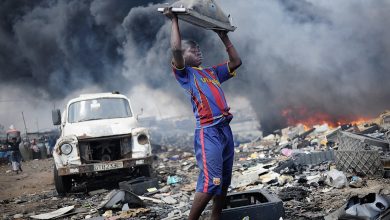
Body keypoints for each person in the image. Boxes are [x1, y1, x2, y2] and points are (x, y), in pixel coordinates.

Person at [164, 8, 242, 220]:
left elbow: (236, 62)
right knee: (211, 182)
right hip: (208, 132)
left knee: (223, 182)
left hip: (225, 130)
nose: (198, 51)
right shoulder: (185, 74)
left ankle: (215, 217)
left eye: (198, 49)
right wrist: (174, 20)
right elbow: (176, 49)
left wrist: (224, 37)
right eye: (192, 49)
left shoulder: (211, 73)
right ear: (183, 55)